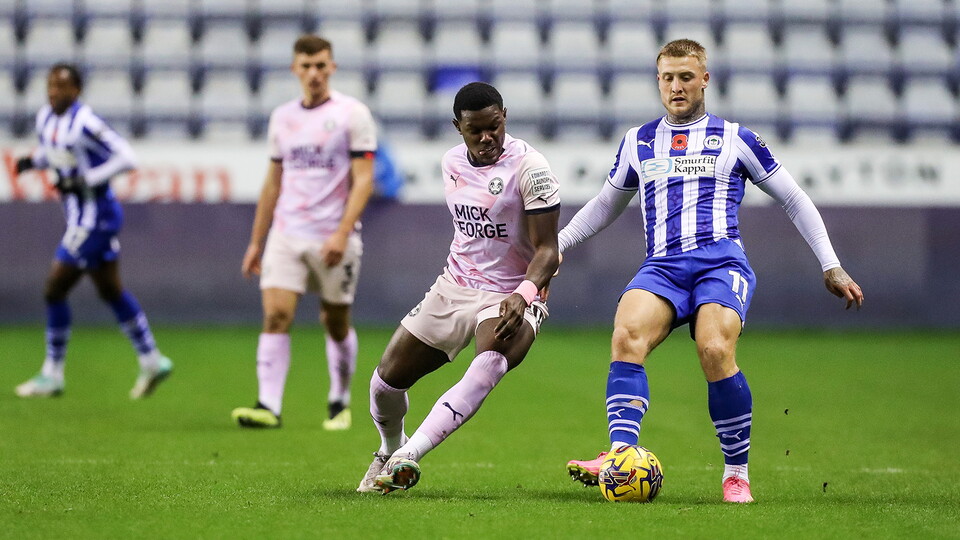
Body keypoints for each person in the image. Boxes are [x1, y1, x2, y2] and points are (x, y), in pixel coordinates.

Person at [561, 39, 864, 503]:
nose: (676, 87)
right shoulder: (638, 141)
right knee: (626, 335)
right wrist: (559, 245)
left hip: (721, 262)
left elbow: (794, 198)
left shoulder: (736, 138)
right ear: (658, 81)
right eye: (667, 78)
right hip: (662, 266)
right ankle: (621, 455)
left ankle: (735, 473)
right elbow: (606, 204)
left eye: (686, 77)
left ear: (705, 79)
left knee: (714, 348)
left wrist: (832, 264)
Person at [356, 82, 561, 494]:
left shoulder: (531, 168)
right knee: (384, 384)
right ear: (458, 128)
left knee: (490, 363)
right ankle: (388, 449)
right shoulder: (451, 162)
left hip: (511, 294)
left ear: (504, 116)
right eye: (476, 131)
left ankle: (408, 457)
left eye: (495, 126)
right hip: (455, 284)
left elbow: (548, 251)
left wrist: (525, 295)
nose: (487, 138)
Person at [231, 35, 377, 431]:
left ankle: (339, 401)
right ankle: (268, 406)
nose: (314, 73)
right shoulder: (282, 118)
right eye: (306, 66)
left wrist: (342, 234)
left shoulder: (352, 114)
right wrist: (256, 242)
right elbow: (272, 183)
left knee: (335, 321)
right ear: (295, 69)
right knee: (277, 315)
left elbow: (363, 181)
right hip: (287, 233)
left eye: (321, 65)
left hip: (334, 236)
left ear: (332, 67)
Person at [12, 63, 173, 399]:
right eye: (51, 86)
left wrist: (87, 179)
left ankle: (52, 373)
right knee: (110, 291)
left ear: (77, 91)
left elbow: (127, 157)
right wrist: (34, 161)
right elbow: (57, 154)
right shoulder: (45, 118)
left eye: (62, 87)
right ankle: (152, 359)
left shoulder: (86, 122)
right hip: (78, 216)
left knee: (54, 289)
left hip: (95, 217)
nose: (54, 92)